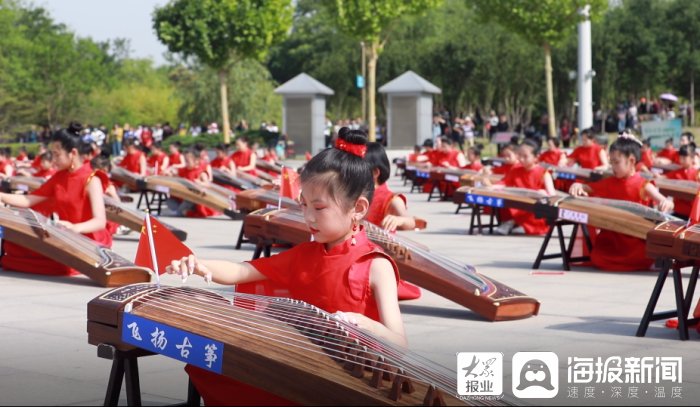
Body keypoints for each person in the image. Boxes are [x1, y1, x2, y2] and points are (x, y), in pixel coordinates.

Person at [165, 127, 406, 405]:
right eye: (303, 206)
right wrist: (198, 264)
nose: (308, 217)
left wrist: (366, 325)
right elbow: (244, 270)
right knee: (213, 363)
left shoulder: (375, 265)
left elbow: (399, 345)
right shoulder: (305, 254)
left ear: (359, 208)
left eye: (319, 208)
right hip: (303, 365)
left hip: (348, 379)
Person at [0, 129, 111, 276]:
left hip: (89, 241)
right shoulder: (59, 177)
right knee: (15, 246)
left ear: (73, 153)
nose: (54, 159)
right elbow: (28, 200)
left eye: (57, 154)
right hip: (65, 236)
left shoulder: (92, 179)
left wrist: (75, 228)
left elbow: (100, 222)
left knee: (59, 265)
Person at [569, 136, 674, 271]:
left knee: (640, 256)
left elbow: (665, 201)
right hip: (613, 237)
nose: (612, 166)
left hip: (635, 237)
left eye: (616, 162)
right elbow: (589, 188)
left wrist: (666, 202)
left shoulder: (642, 184)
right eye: (611, 162)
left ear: (631, 161)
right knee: (598, 256)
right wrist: (578, 185)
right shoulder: (610, 182)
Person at [488, 139, 556, 235]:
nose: (521, 159)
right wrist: (494, 187)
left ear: (536, 157)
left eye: (525, 156)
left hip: (534, 209)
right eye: (520, 155)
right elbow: (504, 182)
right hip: (520, 205)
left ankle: (522, 225)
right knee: (502, 197)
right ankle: (512, 222)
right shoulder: (515, 169)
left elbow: (552, 195)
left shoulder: (543, 173)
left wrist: (545, 194)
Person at [662, 144, 699, 218]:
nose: (681, 160)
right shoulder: (677, 172)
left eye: (684, 158)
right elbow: (664, 177)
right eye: (680, 157)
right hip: (678, 210)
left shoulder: (697, 173)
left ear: (692, 158)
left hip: (693, 212)